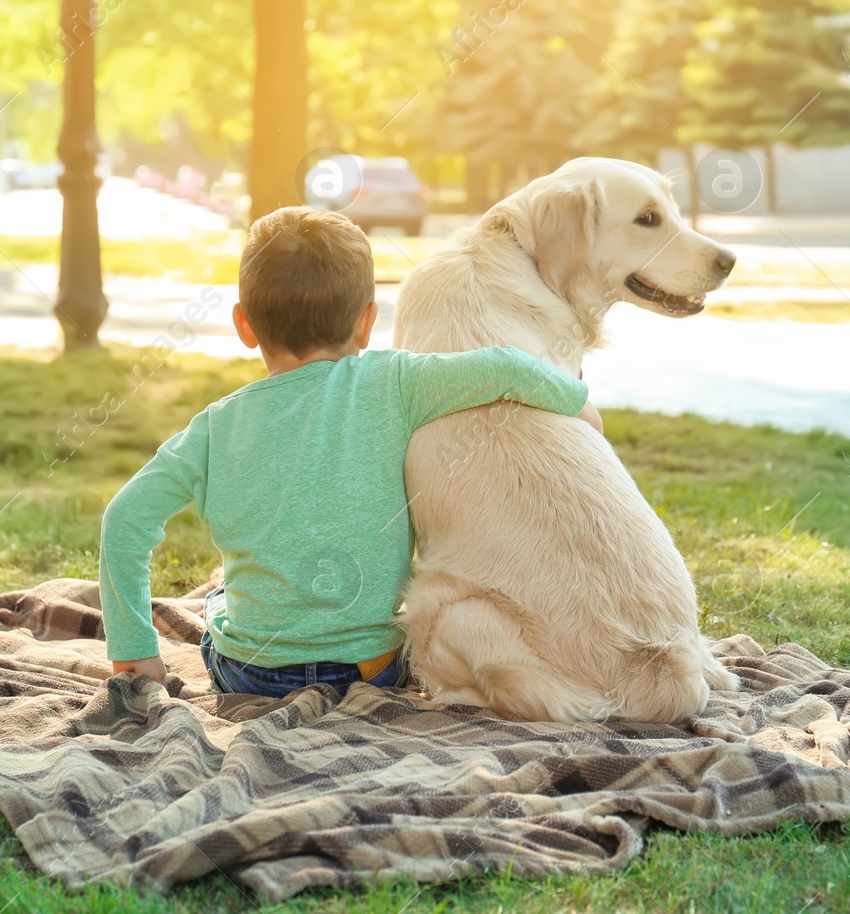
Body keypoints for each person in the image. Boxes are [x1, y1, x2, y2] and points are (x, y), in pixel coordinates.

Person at [99, 206, 600, 699]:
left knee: (219, 600)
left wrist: (135, 652)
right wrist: (579, 406)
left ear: (244, 325)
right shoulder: (397, 383)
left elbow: (124, 519)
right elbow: (507, 366)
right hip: (375, 671)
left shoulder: (213, 427)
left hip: (252, 675)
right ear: (366, 323)